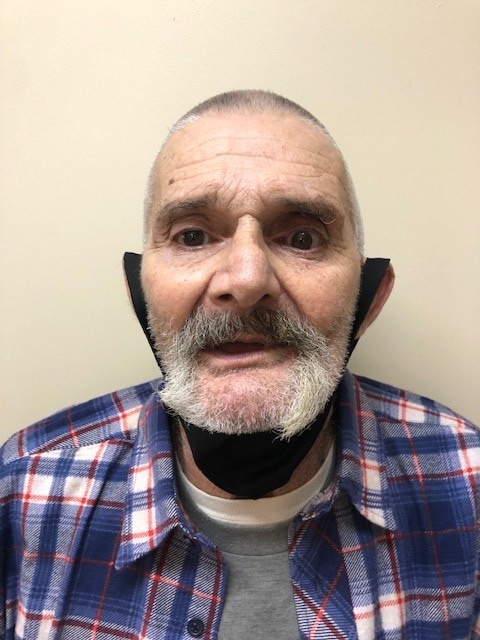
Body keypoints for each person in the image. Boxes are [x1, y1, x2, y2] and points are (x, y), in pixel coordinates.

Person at [1, 90, 478, 640]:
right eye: (193, 236)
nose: (247, 280)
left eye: (302, 238)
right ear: (139, 292)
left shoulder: (470, 482)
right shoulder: (20, 489)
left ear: (370, 297)